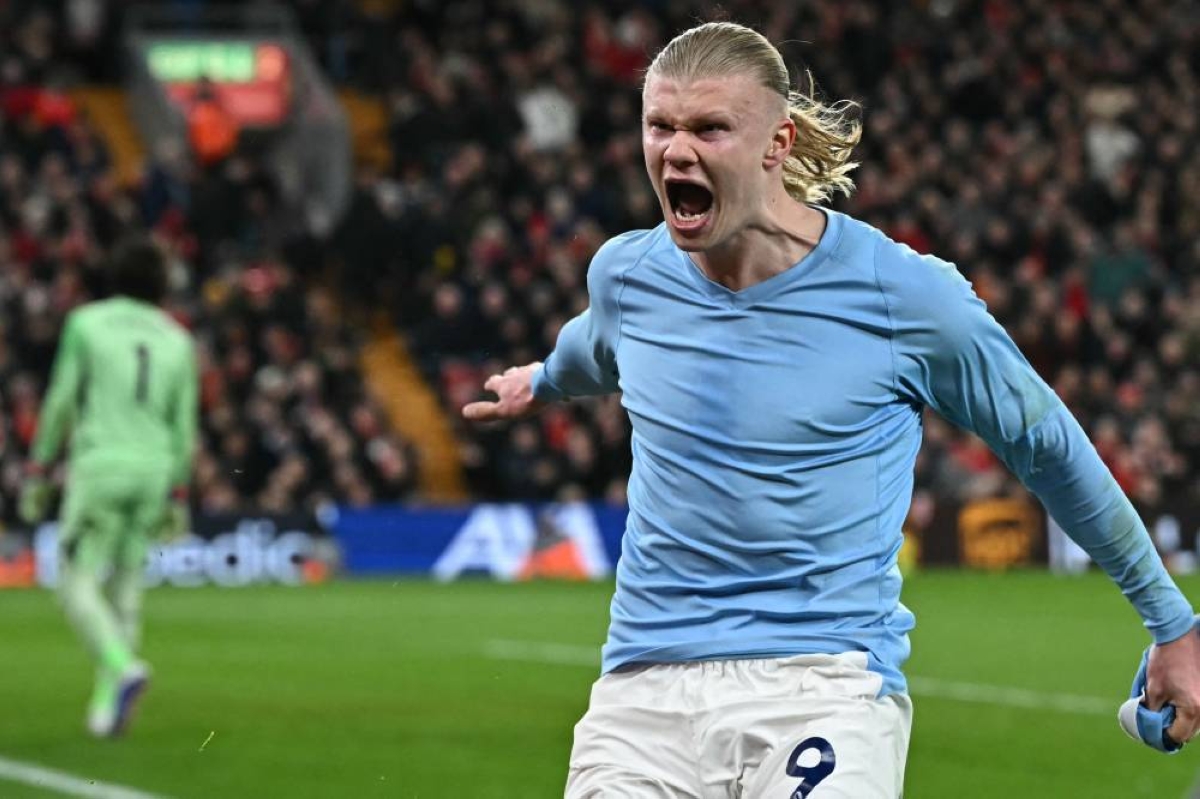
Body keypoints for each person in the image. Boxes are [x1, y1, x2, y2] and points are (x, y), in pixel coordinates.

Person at [462, 21, 1200, 798]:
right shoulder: (626, 275)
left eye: (710, 127)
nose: (676, 150)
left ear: (777, 144)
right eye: (660, 126)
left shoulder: (905, 297)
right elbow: (593, 350)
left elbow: (1045, 444)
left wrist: (1172, 623)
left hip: (822, 685)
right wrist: (539, 381)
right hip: (643, 691)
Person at [19, 238, 198, 738]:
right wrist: (179, 494)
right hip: (155, 470)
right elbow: (184, 426)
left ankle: (121, 668)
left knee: (74, 582)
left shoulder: (87, 324)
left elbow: (60, 400)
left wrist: (38, 468)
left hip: (102, 466)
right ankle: (107, 711)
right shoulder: (177, 340)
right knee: (125, 587)